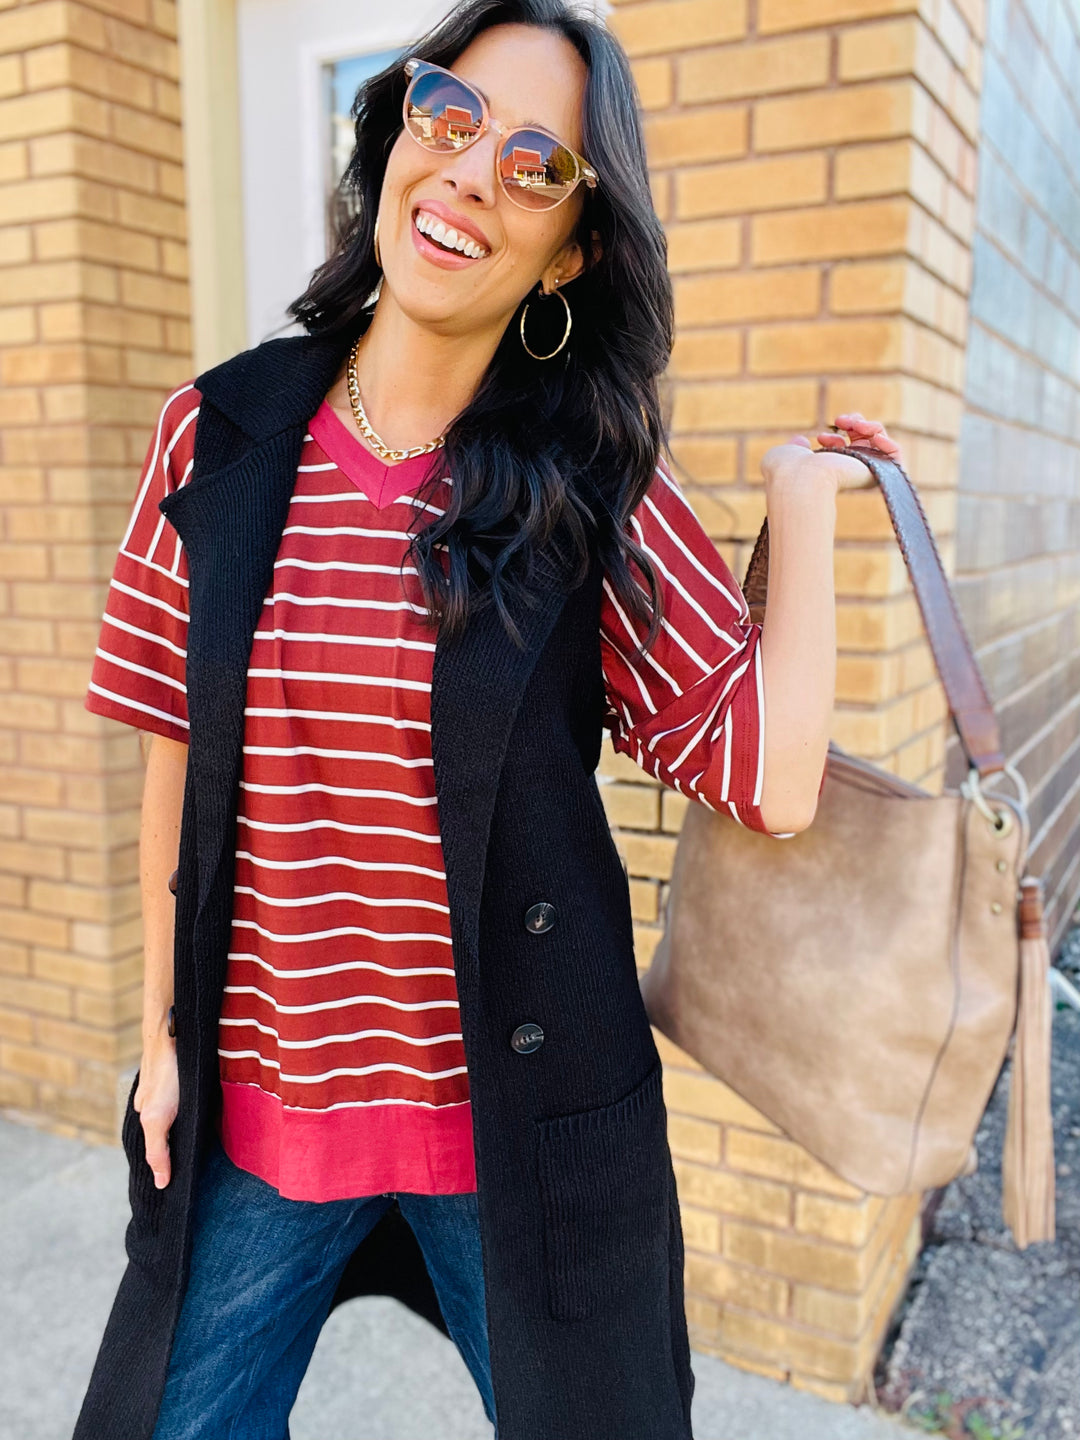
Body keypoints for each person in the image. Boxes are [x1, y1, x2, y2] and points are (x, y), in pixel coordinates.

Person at [76, 1, 903, 1437]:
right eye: (449, 116)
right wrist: (159, 1032)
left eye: (536, 167)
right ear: (400, 130)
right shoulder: (216, 429)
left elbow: (765, 780)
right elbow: (171, 734)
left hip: (518, 1138)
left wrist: (796, 501)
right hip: (260, 1125)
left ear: (568, 249)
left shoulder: (589, 485)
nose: (470, 174)